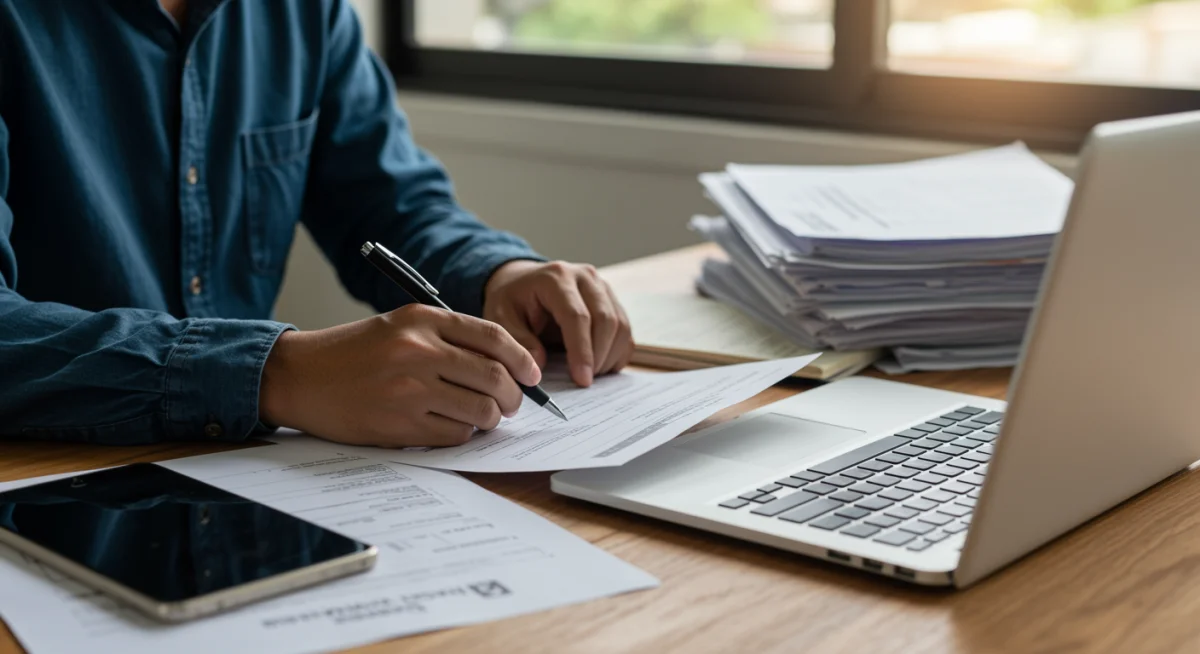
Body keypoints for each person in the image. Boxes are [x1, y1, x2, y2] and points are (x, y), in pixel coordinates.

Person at [0, 0, 634, 448]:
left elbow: (390, 202)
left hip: (242, 478)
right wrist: (275, 373)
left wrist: (496, 273)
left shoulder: (305, 11)